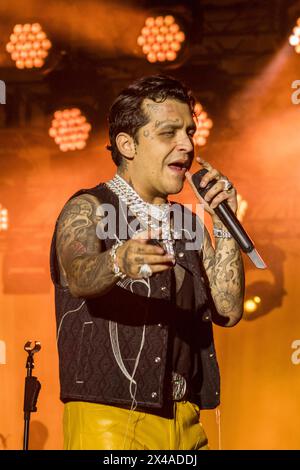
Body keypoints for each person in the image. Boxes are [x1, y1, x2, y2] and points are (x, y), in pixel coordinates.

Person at [50, 75, 245, 450]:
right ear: (128, 144)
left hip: (184, 416)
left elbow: (228, 309)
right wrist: (118, 260)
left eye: (190, 131)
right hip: (109, 416)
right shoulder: (89, 208)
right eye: (169, 133)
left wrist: (222, 224)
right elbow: (77, 275)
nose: (186, 145)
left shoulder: (188, 224)